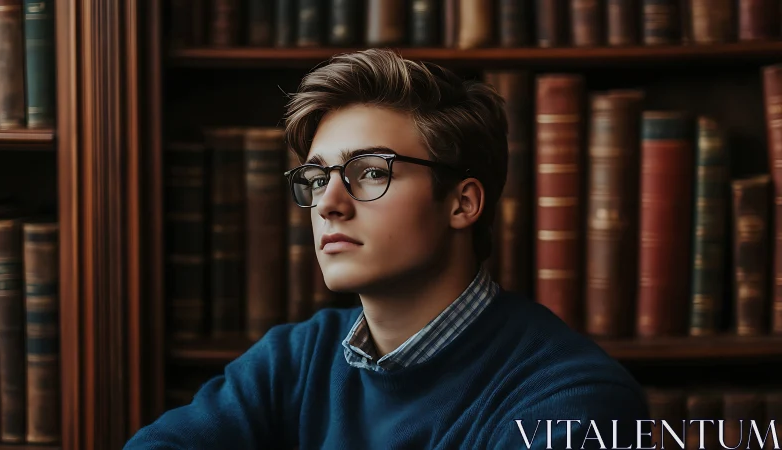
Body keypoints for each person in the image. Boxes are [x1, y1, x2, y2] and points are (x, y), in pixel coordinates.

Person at [124, 48, 649, 450]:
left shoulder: (574, 401)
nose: (328, 204)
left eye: (370, 172)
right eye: (315, 176)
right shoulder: (296, 359)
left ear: (463, 203)